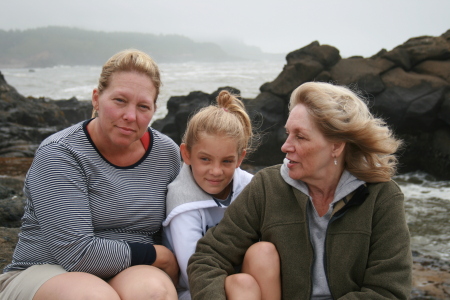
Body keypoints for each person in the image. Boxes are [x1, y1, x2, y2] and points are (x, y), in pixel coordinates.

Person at [187, 82, 413, 299]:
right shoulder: (267, 186)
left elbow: (388, 291)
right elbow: (208, 257)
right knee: (261, 252)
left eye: (300, 136)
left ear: (336, 146)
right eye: (288, 134)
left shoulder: (382, 197)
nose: (285, 146)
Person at [0, 49, 181, 300]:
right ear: (96, 98)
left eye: (143, 106)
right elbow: (76, 253)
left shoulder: (166, 154)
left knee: (154, 292)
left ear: (154, 110)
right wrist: (157, 255)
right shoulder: (60, 154)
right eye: (120, 100)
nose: (130, 116)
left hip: (128, 270)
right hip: (47, 270)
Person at [163, 90, 281, 300]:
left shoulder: (251, 187)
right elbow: (195, 271)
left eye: (226, 161)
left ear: (240, 158)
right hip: (197, 290)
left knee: (264, 251)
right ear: (187, 154)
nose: (216, 171)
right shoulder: (182, 201)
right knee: (242, 283)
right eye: (205, 159)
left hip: (245, 278)